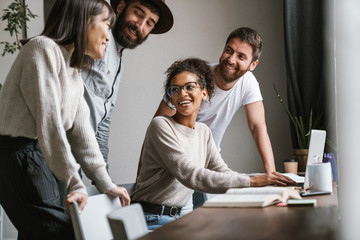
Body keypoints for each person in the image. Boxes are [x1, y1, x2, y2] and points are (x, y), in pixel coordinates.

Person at [0, 0, 130, 239]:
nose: (109, 37)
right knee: (67, 234)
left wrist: (106, 184)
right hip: (18, 156)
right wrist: (75, 182)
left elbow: (82, 135)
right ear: (84, 21)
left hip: (36, 155)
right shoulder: (42, 49)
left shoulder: (73, 69)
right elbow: (50, 125)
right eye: (106, 24)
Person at [131, 58, 295, 230]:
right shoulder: (161, 125)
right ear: (171, 96)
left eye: (189, 87)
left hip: (178, 219)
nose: (182, 94)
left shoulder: (203, 132)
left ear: (204, 92)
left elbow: (223, 172)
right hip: (150, 219)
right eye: (175, 89)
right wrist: (253, 181)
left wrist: (268, 181)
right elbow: (191, 175)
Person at [152, 27, 276, 174]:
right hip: (176, 159)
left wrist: (271, 175)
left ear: (252, 65)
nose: (231, 59)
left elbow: (258, 127)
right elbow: (157, 131)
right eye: (229, 51)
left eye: (241, 56)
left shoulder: (248, 83)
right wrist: (141, 178)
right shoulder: (194, 77)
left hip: (209, 159)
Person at [82, 0, 173, 164]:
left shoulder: (119, 65)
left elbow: (103, 122)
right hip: (49, 149)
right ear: (121, 7)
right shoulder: (95, 35)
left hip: (74, 157)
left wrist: (103, 175)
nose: (140, 26)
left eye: (149, 23)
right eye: (138, 13)